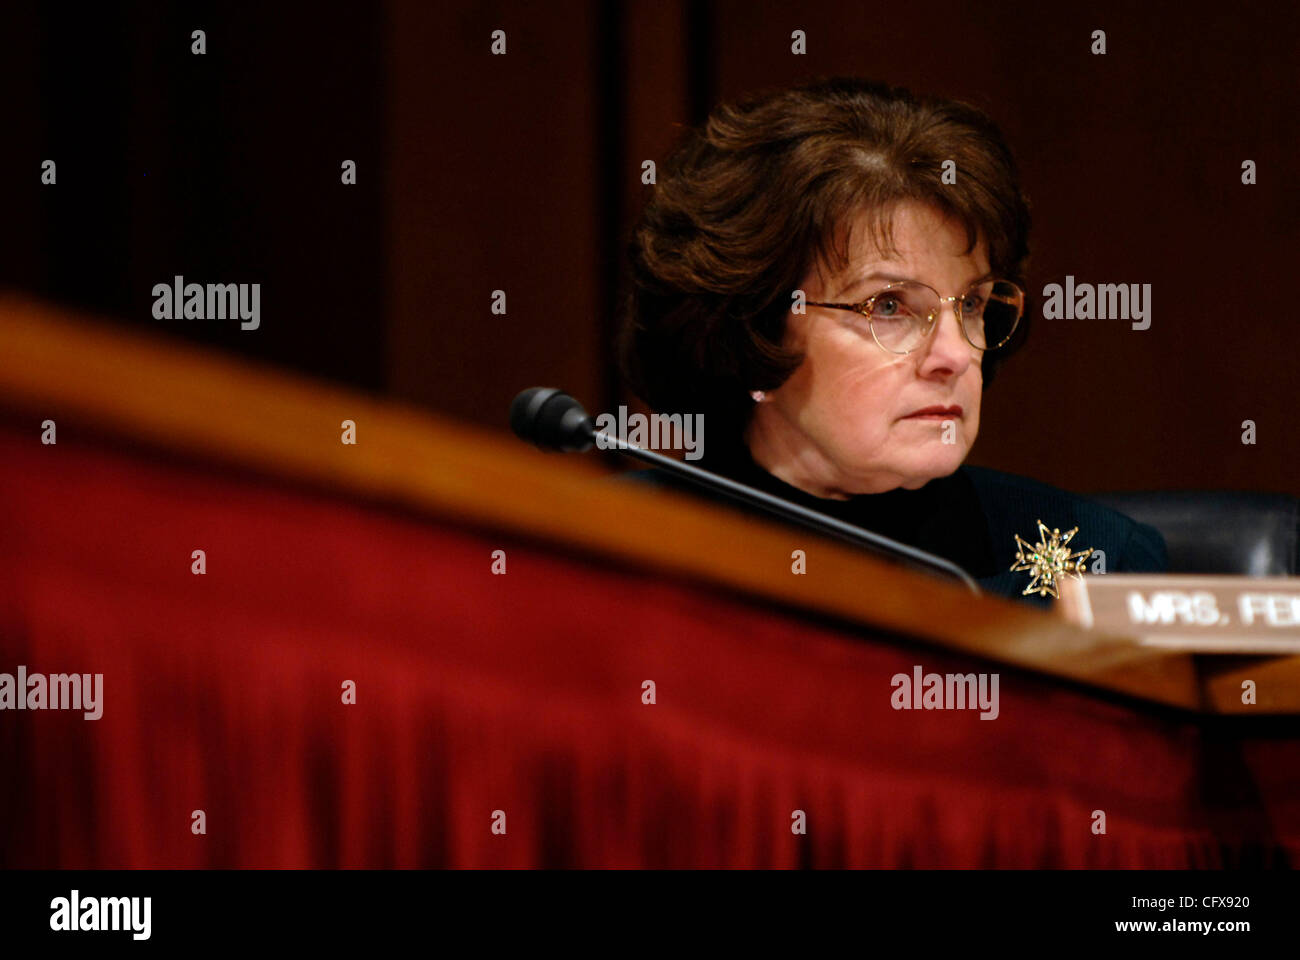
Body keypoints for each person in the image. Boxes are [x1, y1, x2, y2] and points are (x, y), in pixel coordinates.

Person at [614, 76, 1167, 607]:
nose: (954, 356)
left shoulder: (1095, 558)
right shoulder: (610, 550)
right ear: (753, 328)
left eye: (971, 303)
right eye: (889, 306)